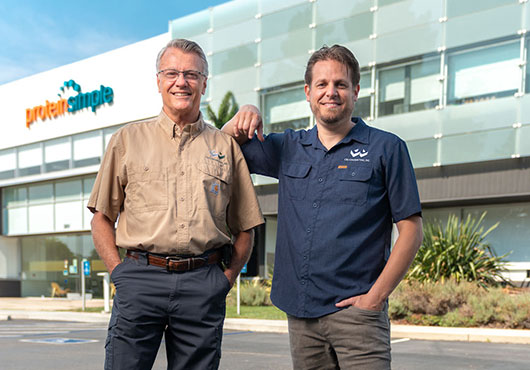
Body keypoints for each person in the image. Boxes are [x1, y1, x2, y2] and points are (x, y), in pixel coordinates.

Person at [223, 45, 423, 369]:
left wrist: (374, 299)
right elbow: (219, 152)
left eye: (340, 84)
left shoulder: (387, 148)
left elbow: (412, 231)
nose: (331, 92)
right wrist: (241, 116)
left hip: (358, 317)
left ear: (355, 91)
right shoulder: (287, 147)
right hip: (301, 318)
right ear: (308, 92)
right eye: (322, 84)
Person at [88, 38, 264, 370]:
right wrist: (119, 273)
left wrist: (224, 279)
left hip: (203, 284)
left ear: (204, 83)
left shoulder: (225, 147)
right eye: (171, 73)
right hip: (139, 279)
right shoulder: (126, 140)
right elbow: (101, 217)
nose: (181, 81)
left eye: (191, 74)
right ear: (158, 81)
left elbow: (246, 226)